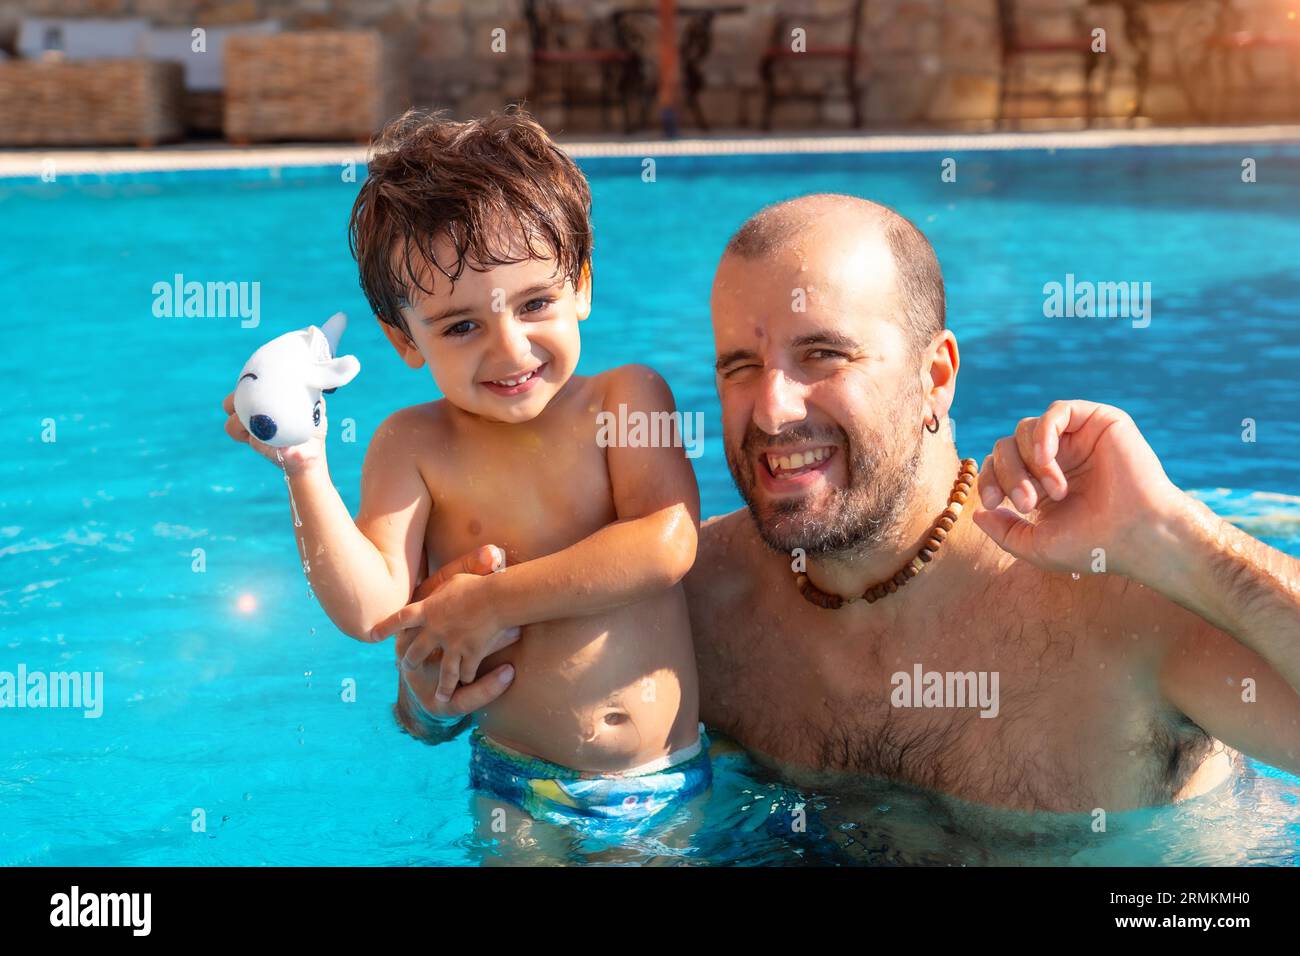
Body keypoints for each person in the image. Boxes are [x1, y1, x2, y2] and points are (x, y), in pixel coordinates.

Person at [407, 192, 1300, 815]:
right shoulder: (696, 608)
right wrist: (432, 690)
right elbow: (452, 722)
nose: (772, 410)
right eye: (740, 367)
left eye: (823, 356)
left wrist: (1181, 539)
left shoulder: (1124, 601)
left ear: (935, 376)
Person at [222, 108, 708, 827]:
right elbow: (371, 611)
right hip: (513, 784)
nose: (510, 351)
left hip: (660, 780)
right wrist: (304, 467)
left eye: (536, 302)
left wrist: (492, 601)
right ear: (404, 340)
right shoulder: (411, 446)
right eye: (461, 326)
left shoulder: (624, 399)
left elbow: (665, 543)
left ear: (581, 285)